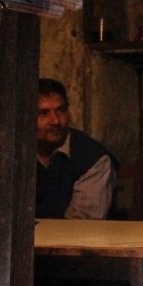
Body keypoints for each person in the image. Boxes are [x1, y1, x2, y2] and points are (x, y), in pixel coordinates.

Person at [36, 78, 116, 219]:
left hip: (68, 239)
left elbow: (81, 226)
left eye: (60, 110)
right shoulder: (13, 153)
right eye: (43, 113)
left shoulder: (92, 158)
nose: (55, 121)